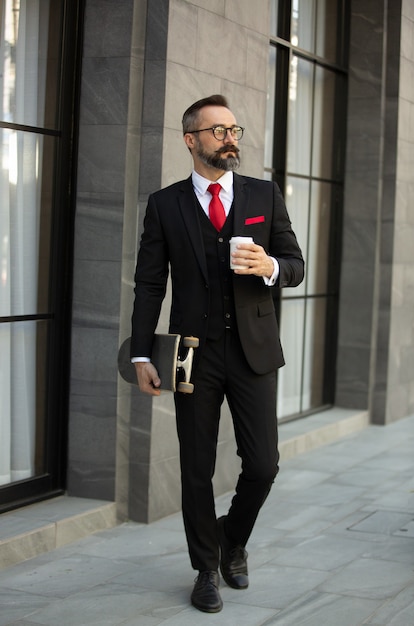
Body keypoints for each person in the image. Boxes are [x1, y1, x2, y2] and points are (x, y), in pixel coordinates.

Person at [130, 94, 304, 613]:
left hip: (253, 351)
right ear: (191, 140)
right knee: (196, 467)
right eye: (217, 130)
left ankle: (233, 536)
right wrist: (142, 354)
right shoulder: (165, 204)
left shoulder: (263, 194)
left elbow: (296, 263)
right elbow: (147, 285)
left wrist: (269, 265)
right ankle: (206, 568)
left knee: (264, 463)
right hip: (192, 355)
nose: (230, 138)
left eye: (234, 129)